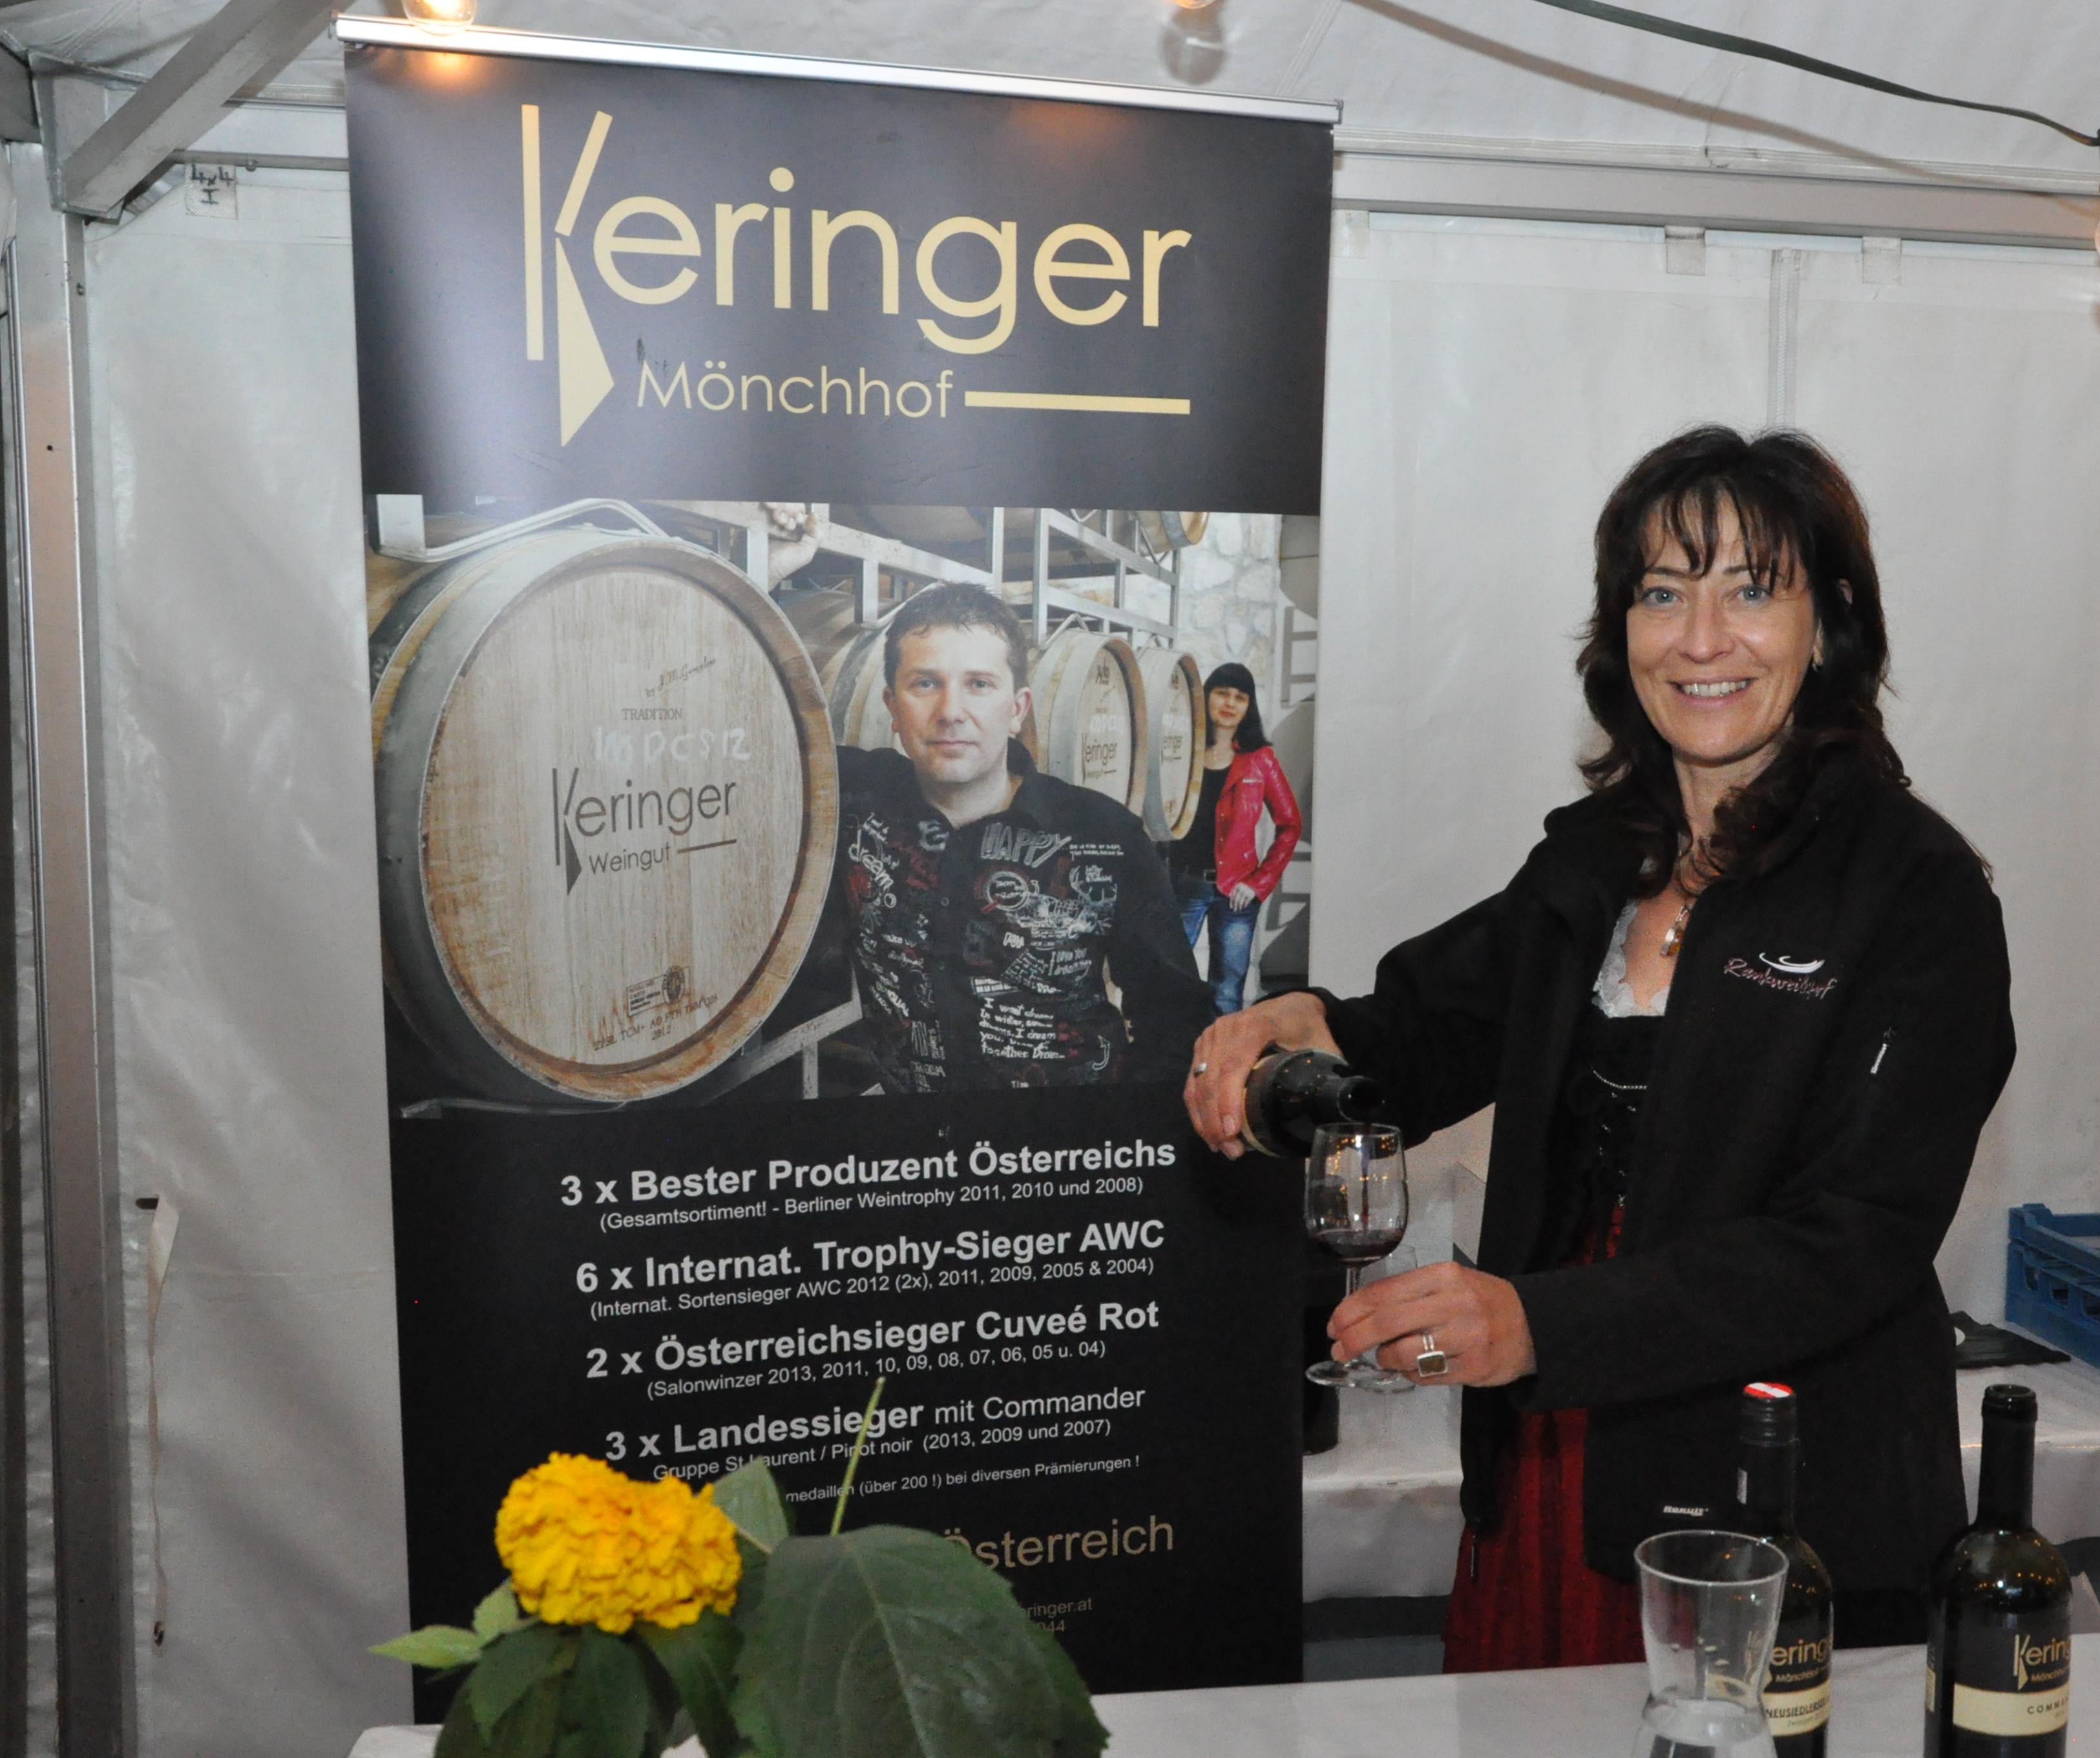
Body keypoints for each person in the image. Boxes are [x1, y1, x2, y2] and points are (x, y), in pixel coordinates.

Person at [1184, 427, 2014, 1666]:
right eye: (1661, 594)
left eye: (1751, 591)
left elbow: (1851, 1239)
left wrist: (1541, 1324)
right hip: (1552, 1452)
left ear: (1831, 624)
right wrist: (1297, 1022)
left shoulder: (1913, 892)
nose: (1700, 639)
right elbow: (1423, 1031)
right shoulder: (1595, 856)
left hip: (1773, 1493)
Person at [826, 583, 1210, 1092]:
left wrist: (1120, 1128)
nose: (950, 711)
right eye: (925, 683)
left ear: (1017, 708)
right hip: (916, 1130)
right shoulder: (851, 795)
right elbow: (755, 725)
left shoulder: (1104, 834)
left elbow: (1177, 1017)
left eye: (979, 684)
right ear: (892, 707)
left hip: (1067, 1133)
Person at [1164, 662, 1303, 1013]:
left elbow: (1290, 825)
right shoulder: (1182, 750)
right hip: (1182, 884)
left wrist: (1259, 883)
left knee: (1227, 991)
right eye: (1222, 693)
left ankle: (1222, 1051)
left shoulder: (1261, 760)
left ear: (1248, 706)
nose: (1230, 703)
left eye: (1240, 697)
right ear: (1206, 697)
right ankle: (1177, 1048)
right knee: (1169, 982)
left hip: (1236, 894)